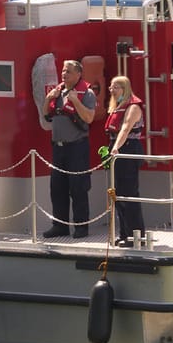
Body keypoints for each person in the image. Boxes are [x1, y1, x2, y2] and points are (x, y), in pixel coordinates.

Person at [42, 59, 97, 238]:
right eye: (63, 71)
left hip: (77, 148)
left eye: (69, 72)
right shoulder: (58, 92)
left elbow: (89, 118)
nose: (64, 74)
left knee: (78, 188)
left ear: (79, 74)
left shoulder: (87, 94)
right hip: (58, 148)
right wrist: (48, 99)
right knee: (57, 188)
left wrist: (75, 101)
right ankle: (60, 226)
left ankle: (81, 227)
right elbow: (46, 115)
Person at [104, 75, 146, 247]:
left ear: (124, 89)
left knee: (129, 195)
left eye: (115, 87)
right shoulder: (117, 106)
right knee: (118, 195)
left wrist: (116, 148)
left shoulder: (133, 106)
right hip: (118, 150)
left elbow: (126, 127)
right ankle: (124, 234)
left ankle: (136, 236)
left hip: (128, 149)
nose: (112, 90)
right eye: (111, 87)